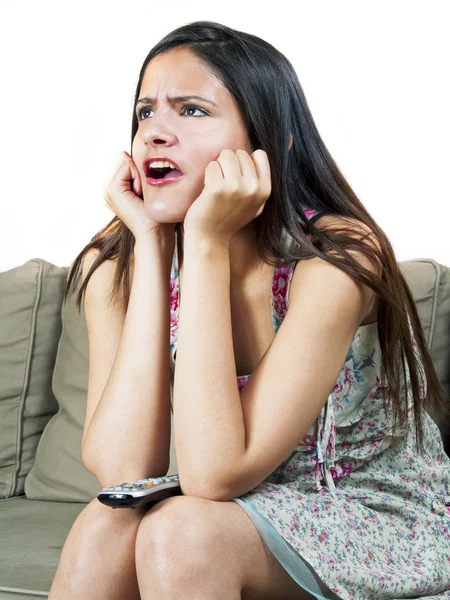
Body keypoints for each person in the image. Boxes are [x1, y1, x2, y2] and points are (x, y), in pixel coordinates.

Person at [49, 20, 450, 600]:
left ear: (271, 141)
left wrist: (207, 244)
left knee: (181, 533)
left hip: (373, 512)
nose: (155, 133)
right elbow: (122, 471)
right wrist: (156, 246)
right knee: (105, 526)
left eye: (190, 111)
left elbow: (215, 476)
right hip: (240, 510)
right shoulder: (117, 261)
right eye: (145, 112)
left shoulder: (336, 255)